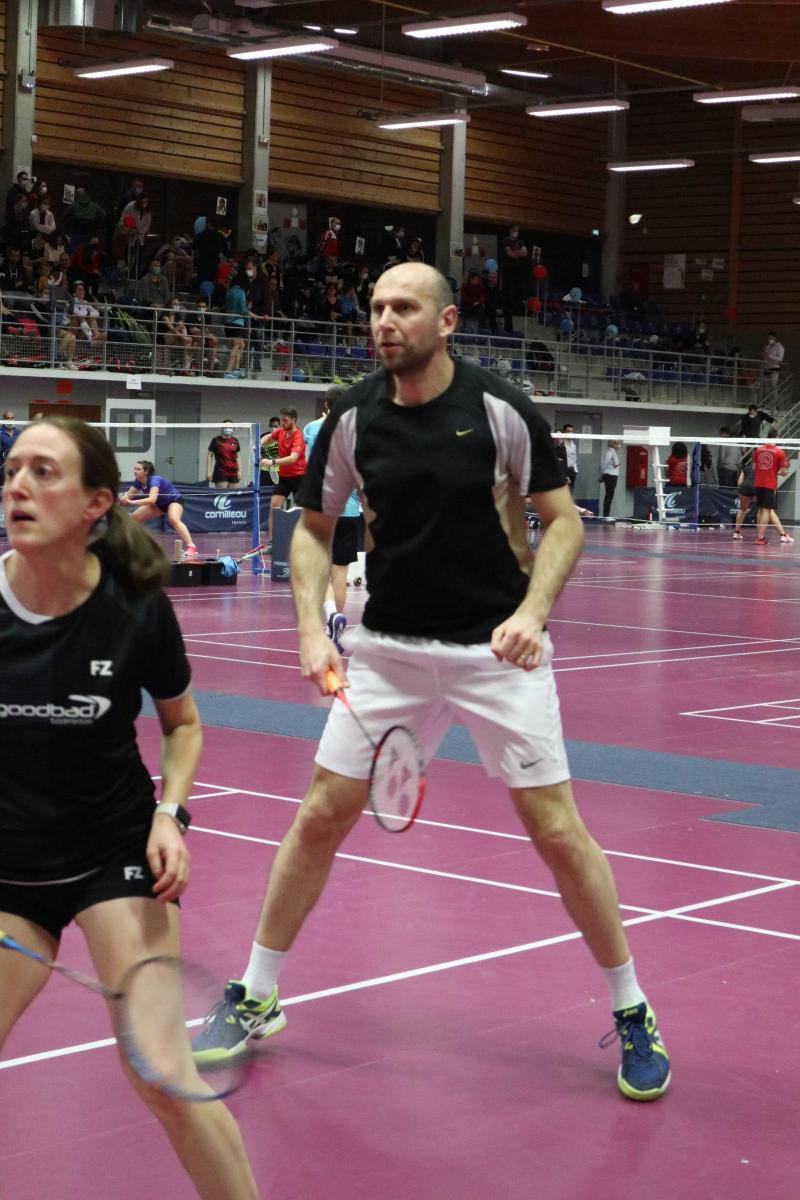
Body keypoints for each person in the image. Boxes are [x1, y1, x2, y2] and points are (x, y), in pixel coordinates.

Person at [193, 262, 671, 1104]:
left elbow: (563, 522)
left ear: (446, 321)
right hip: (389, 651)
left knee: (559, 833)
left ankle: (632, 1008)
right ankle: (258, 991)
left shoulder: (501, 409)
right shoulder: (352, 416)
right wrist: (308, 629)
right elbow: (312, 529)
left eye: (403, 307)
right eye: (376, 306)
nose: (384, 320)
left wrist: (533, 612)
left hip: (497, 650)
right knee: (320, 815)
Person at [0, 416, 259, 1200]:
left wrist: (169, 816)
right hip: (9, 870)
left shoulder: (136, 608)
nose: (17, 486)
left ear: (95, 503)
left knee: (163, 1077)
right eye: (12, 470)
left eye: (43, 471)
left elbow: (183, 726)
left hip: (112, 854)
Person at [303, 388, 361, 650]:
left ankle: (331, 616)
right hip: (349, 510)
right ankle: (336, 630)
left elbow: (310, 466)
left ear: (325, 405)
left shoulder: (312, 429)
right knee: (340, 571)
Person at [121, 460, 198, 558]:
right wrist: (123, 498)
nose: (135, 471)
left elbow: (151, 500)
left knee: (174, 519)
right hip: (159, 504)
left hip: (174, 501)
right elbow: (129, 496)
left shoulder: (154, 480)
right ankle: (133, 543)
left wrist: (132, 502)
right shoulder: (138, 482)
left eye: (138, 469)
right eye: (134, 469)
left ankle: (192, 547)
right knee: (134, 518)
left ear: (146, 471)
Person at [259, 408, 306, 549]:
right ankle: (272, 543)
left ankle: (304, 542)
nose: (282, 423)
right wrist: (259, 445)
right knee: (274, 507)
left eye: (285, 420)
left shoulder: (298, 437)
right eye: (282, 420)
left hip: (299, 477)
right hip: (284, 478)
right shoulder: (281, 432)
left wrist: (272, 462)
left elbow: (293, 458)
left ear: (293, 420)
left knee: (303, 511)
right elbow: (267, 437)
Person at [752, 429, 793, 545]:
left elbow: (753, 468)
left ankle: (760, 535)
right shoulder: (780, 452)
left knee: (760, 509)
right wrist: (778, 471)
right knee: (767, 509)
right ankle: (760, 538)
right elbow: (784, 472)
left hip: (758, 483)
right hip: (769, 484)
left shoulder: (758, 450)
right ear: (777, 437)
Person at [207, 421, 241, 489]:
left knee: (235, 493)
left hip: (233, 471)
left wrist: (240, 471)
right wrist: (208, 471)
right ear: (222, 428)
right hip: (220, 471)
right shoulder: (216, 440)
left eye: (230, 427)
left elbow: (237, 456)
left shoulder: (235, 440)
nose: (228, 429)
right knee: (223, 493)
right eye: (226, 427)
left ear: (233, 428)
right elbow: (210, 456)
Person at [732, 449, 755, 541]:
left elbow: (739, 483)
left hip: (745, 488)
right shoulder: (762, 469)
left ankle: (736, 533)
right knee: (763, 509)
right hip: (756, 488)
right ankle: (760, 536)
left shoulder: (745, 468)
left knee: (742, 510)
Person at [600, 440, 620, 518]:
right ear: (614, 444)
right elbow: (603, 465)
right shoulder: (609, 453)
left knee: (610, 496)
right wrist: (601, 475)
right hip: (609, 475)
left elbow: (616, 464)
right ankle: (606, 515)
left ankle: (606, 515)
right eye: (618, 444)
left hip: (613, 476)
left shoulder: (614, 453)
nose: (619, 446)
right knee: (608, 496)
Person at [762, 332, 784, 396]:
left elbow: (780, 358)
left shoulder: (779, 346)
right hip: (767, 366)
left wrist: (771, 356)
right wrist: (764, 354)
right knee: (766, 384)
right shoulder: (768, 346)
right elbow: (765, 355)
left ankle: (775, 400)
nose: (769, 339)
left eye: (770, 338)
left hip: (775, 367)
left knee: (773, 384)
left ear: (775, 338)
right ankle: (767, 399)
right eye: (768, 338)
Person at [0, 410, 19, 484]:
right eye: (8, 418)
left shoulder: (19, 433)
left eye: (12, 418)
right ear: (3, 420)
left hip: (16, 468)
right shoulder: (0, 433)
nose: (10, 420)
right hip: (2, 469)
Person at [562, 423, 578, 490]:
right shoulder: (561, 444)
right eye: (568, 431)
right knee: (564, 491)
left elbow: (575, 458)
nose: (570, 433)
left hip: (572, 471)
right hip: (564, 470)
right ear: (564, 432)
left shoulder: (573, 445)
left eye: (572, 431)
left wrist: (575, 470)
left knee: (571, 490)